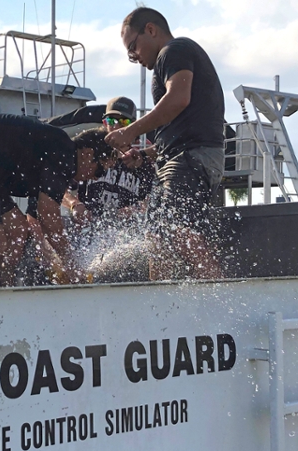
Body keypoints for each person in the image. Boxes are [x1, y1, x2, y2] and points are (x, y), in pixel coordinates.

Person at [105, 7, 225, 279]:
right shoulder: (171, 56)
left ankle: (218, 292)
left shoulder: (173, 51)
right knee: (157, 235)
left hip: (190, 158)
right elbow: (184, 123)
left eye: (133, 47)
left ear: (151, 29)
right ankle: (161, 303)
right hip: (184, 158)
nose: (133, 56)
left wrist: (129, 132)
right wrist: (146, 154)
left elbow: (178, 99)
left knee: (175, 228)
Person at [0, 114, 114, 289]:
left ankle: (5, 288)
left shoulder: (57, 157)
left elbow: (39, 218)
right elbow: (48, 216)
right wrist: (71, 264)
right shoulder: (65, 154)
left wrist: (56, 261)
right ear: (88, 154)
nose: (96, 178)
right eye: (100, 171)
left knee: (17, 229)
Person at [63, 97, 155, 226]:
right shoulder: (89, 155)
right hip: (87, 228)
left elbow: (152, 200)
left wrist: (136, 209)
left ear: (133, 126)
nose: (115, 126)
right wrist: (74, 204)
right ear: (104, 123)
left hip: (126, 233)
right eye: (110, 120)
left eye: (123, 121)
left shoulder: (141, 162)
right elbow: (60, 189)